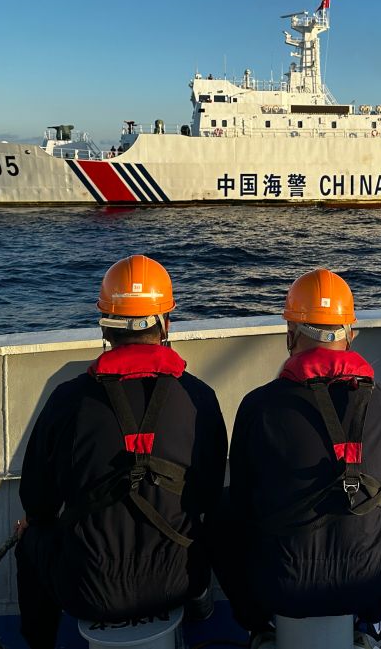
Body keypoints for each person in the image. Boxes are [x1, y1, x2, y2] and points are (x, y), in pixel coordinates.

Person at [15, 255, 227, 649]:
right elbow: (209, 495)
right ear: (166, 324)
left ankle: (38, 643)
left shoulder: (67, 401)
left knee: (30, 539)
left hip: (87, 588)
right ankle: (201, 607)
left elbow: (37, 504)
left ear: (105, 327)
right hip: (179, 579)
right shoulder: (200, 398)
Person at [214, 269, 381, 649]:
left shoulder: (259, 406)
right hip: (365, 584)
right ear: (349, 334)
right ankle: (372, 623)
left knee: (223, 508)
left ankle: (258, 628)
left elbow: (243, 501)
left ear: (291, 333)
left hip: (281, 586)